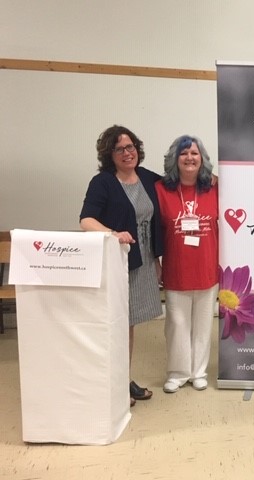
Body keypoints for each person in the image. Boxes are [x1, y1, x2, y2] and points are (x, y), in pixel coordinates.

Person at [80, 125, 164, 407]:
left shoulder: (147, 178)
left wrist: (211, 178)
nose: (127, 153)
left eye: (130, 147)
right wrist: (113, 234)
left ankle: (122, 380)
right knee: (116, 324)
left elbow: (180, 185)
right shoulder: (103, 182)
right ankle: (114, 385)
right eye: (120, 149)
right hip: (119, 262)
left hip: (144, 261)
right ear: (110, 154)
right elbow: (86, 220)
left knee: (127, 325)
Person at [155, 135, 219, 393]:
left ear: (202, 158)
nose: (190, 158)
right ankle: (178, 372)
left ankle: (198, 371)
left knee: (203, 323)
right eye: (184, 154)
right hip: (176, 268)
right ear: (175, 159)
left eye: (194, 153)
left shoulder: (215, 188)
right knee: (177, 323)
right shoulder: (161, 189)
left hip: (207, 267)